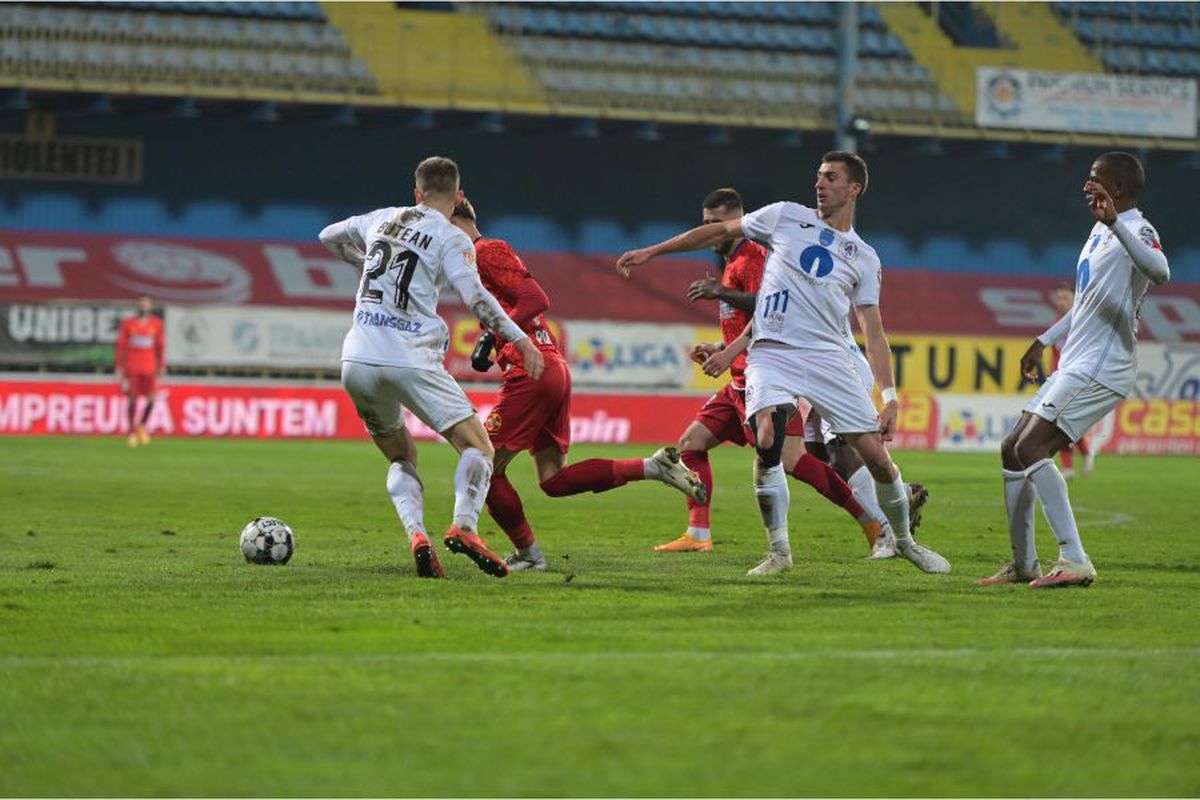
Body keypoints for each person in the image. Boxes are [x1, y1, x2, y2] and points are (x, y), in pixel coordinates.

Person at [617, 152, 951, 576]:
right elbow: (718, 230)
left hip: (829, 356)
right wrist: (653, 251)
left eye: (831, 177)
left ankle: (903, 541)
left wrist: (889, 397)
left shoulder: (864, 257)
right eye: (818, 176)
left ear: (854, 189)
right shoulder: (784, 217)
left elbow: (874, 329)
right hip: (773, 352)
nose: (820, 183)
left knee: (877, 459)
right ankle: (779, 552)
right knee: (768, 438)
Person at [448, 198, 706, 572]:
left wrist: (491, 335)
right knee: (553, 480)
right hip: (549, 369)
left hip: (532, 371)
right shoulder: (475, 259)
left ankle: (528, 555)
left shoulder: (486, 250)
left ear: (456, 221)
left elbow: (536, 298)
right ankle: (653, 468)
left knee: (483, 466)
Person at [319, 155, 545, 579]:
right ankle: (465, 526)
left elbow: (327, 235)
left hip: (357, 360)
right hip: (410, 358)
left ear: (416, 192)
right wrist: (519, 339)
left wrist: (361, 261)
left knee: (402, 455)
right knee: (479, 447)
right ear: (458, 196)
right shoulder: (451, 238)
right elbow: (476, 299)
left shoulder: (383, 218)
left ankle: (416, 535)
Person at [642, 188, 888, 559]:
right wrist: (719, 349)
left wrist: (722, 297)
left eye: (719, 223)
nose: (714, 230)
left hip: (768, 374)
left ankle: (871, 523)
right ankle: (698, 533)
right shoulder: (732, 263)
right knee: (691, 444)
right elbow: (745, 322)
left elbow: (769, 308)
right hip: (738, 380)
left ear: (736, 222)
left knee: (795, 461)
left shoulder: (753, 257)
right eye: (707, 223)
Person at [979, 152, 1168, 589]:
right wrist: (1043, 340)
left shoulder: (1137, 228)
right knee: (1012, 448)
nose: (1087, 187)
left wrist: (1116, 225)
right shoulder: (1099, 233)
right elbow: (1085, 305)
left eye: (1095, 180)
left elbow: (1160, 272)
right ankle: (1023, 564)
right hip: (1078, 361)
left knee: (1031, 449)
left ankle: (1074, 559)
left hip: (1103, 365)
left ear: (1117, 188)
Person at [1047, 283, 1096, 480]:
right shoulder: (1057, 324)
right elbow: (1054, 355)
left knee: (1065, 424)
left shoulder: (1084, 322)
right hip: (1060, 381)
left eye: (1065, 297)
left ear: (1075, 299)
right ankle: (1071, 465)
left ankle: (1082, 455)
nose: (1060, 302)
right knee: (1059, 424)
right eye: (1058, 298)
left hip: (1078, 381)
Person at [114, 295, 164, 448]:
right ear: (137, 305)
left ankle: (141, 425)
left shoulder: (157, 324)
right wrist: (119, 367)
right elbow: (121, 345)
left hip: (149, 367)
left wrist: (161, 366)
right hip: (132, 367)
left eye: (146, 303)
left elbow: (160, 347)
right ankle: (131, 432)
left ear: (151, 306)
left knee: (152, 398)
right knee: (132, 399)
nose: (144, 305)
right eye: (141, 303)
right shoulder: (128, 324)